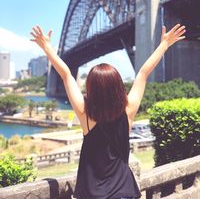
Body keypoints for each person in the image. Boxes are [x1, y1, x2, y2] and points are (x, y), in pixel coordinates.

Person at [30, 24, 186, 199]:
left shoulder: (85, 114)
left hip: (91, 194)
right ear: (118, 86)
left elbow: (66, 75)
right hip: (124, 192)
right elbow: (143, 73)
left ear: (90, 88)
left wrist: (47, 47)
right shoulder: (129, 110)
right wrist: (164, 44)